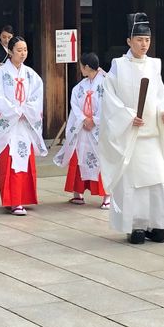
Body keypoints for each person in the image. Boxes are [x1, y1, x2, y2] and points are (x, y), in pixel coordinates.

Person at [98, 13, 164, 244]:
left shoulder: (154, 65)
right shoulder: (118, 66)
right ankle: (136, 226)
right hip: (131, 137)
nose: (144, 44)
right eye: (139, 39)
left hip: (151, 136)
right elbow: (110, 101)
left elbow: (160, 94)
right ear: (129, 41)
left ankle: (159, 223)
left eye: (147, 40)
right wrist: (128, 117)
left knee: (158, 181)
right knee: (134, 186)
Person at [0, 36, 46, 215]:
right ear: (9, 51)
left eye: (25, 50)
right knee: (9, 163)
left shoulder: (31, 74)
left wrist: (27, 111)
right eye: (19, 50)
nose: (23, 54)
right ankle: (13, 201)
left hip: (24, 124)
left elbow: (37, 96)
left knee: (24, 161)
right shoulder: (0, 73)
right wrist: (16, 111)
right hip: (8, 126)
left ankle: (23, 199)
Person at [54, 52, 110, 209]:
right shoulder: (80, 87)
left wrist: (95, 120)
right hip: (83, 129)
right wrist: (84, 120)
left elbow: (109, 107)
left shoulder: (107, 84)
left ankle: (106, 195)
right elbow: (75, 106)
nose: (80, 69)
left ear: (86, 67)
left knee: (101, 160)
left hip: (99, 129)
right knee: (78, 157)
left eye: (80, 66)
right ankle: (77, 193)